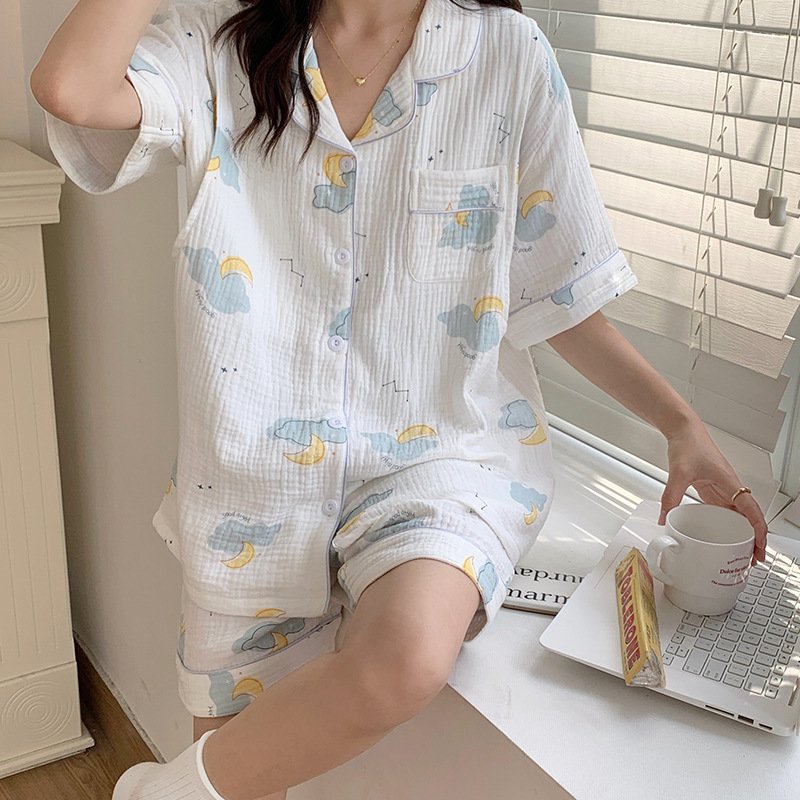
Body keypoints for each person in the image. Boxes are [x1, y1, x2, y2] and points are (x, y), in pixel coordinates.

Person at [31, 1, 769, 798]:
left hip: (437, 464)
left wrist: (678, 422)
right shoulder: (225, 43)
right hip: (252, 486)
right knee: (238, 777)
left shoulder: (504, 53)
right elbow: (73, 89)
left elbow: (559, 289)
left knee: (407, 658)